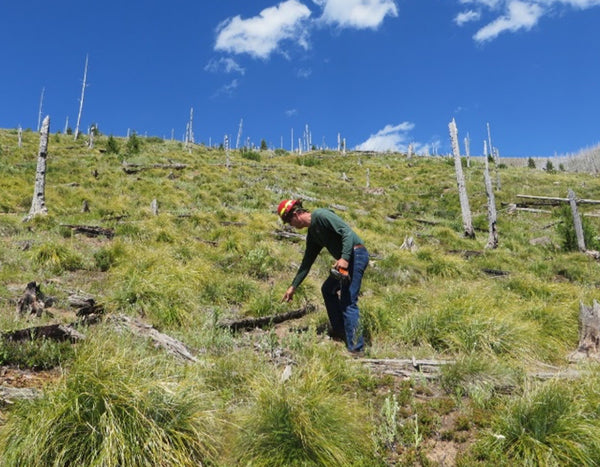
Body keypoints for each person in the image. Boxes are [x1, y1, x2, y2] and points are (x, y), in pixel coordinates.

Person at [278, 199, 369, 353]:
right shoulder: (313, 234)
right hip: (346, 261)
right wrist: (293, 286)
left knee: (348, 300)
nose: (290, 225)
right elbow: (307, 262)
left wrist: (345, 258)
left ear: (297, 213)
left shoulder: (321, 215)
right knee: (328, 289)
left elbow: (346, 231)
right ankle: (341, 331)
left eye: (289, 220)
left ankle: (356, 349)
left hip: (356, 254)